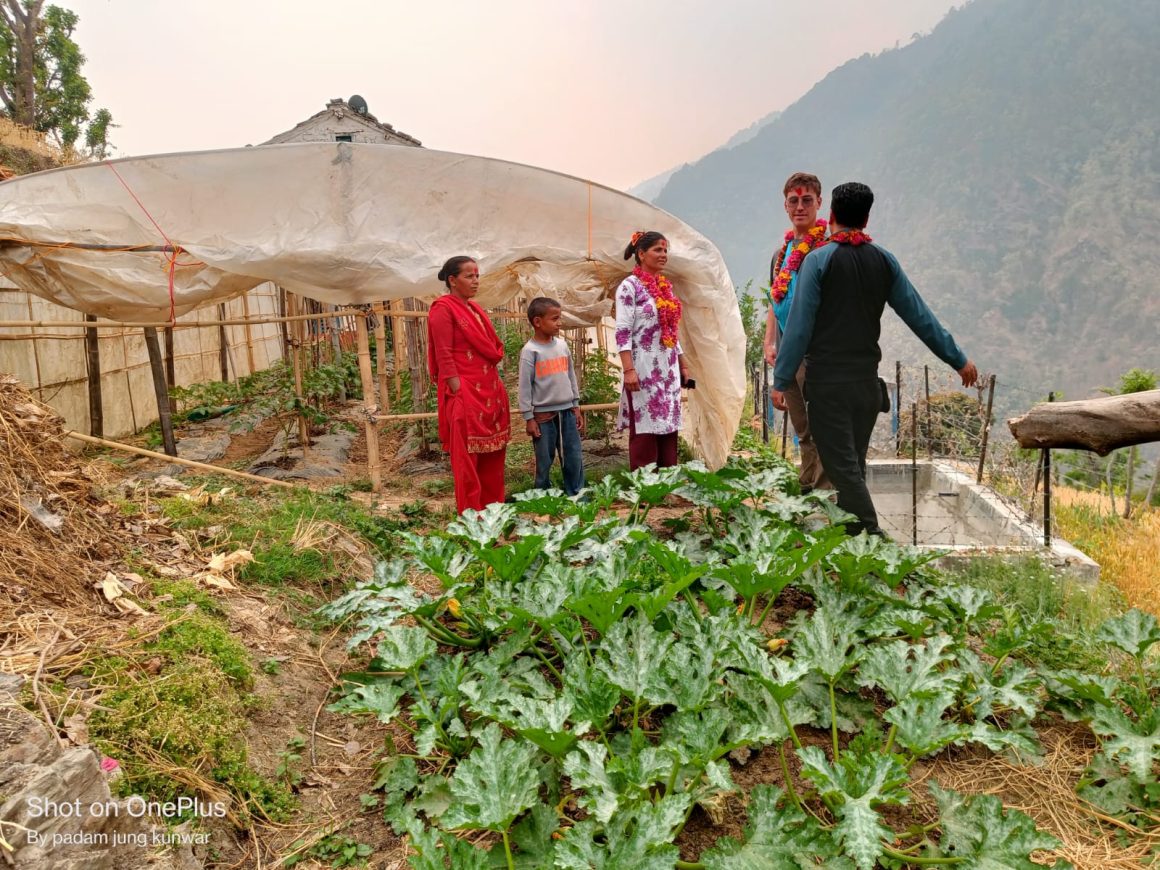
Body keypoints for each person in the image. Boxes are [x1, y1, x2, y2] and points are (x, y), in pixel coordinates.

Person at [772, 182, 978, 536]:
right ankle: (852, 541)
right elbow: (920, 317)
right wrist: (957, 359)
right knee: (853, 465)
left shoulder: (818, 261)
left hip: (827, 388)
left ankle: (872, 536)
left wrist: (781, 379)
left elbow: (799, 330)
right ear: (866, 218)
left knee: (844, 471)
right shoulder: (884, 260)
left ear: (831, 214)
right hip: (866, 387)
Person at [763, 172, 831, 493]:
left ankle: (826, 500)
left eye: (807, 200)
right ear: (786, 206)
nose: (800, 206)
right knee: (802, 429)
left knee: (824, 430)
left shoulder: (830, 249)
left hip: (820, 354)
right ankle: (807, 489)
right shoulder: (781, 255)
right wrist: (769, 343)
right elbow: (774, 301)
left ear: (820, 202)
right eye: (794, 200)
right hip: (789, 353)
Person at [427, 255, 511, 513]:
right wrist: (457, 390)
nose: (476, 281)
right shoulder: (442, 309)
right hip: (465, 394)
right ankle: (471, 520)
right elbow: (444, 353)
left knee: (493, 461)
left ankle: (493, 515)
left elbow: (491, 352)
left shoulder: (474, 310)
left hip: (489, 391)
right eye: (469, 276)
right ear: (452, 280)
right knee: (467, 463)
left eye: (477, 276)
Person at [615, 230, 691, 470]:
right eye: (658, 249)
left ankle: (667, 482)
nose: (663, 254)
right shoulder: (630, 287)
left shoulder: (665, 287)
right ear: (641, 254)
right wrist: (629, 370)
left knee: (668, 422)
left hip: (667, 369)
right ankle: (645, 487)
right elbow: (622, 331)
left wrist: (683, 364)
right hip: (643, 368)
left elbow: (671, 330)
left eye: (665, 250)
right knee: (645, 424)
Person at [518, 297, 586, 495]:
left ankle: (576, 494)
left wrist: (576, 405)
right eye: (554, 319)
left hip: (567, 412)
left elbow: (571, 375)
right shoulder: (530, 352)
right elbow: (524, 387)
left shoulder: (562, 346)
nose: (559, 323)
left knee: (573, 456)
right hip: (543, 417)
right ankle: (542, 496)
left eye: (560, 318)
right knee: (544, 459)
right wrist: (529, 418)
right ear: (537, 322)